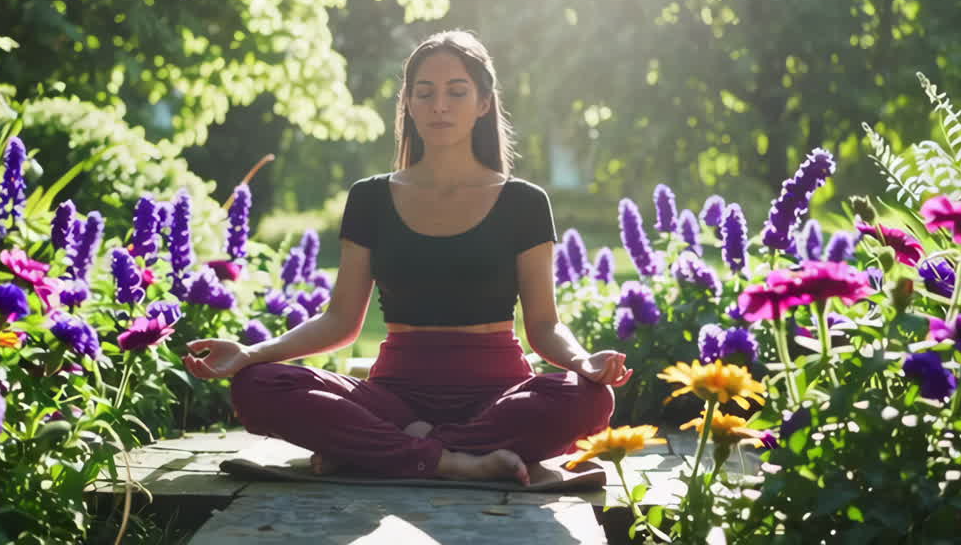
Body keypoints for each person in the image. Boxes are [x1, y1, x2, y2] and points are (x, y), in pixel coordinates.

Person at [183, 30, 631, 485]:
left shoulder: (524, 202)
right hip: (393, 399)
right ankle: (453, 461)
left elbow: (545, 326)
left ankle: (381, 450)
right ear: (409, 104)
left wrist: (583, 362)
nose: (439, 105)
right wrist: (249, 354)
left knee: (591, 399)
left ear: (483, 103)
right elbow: (340, 321)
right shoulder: (370, 198)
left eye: (457, 92)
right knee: (258, 386)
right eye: (425, 92)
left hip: (497, 396)